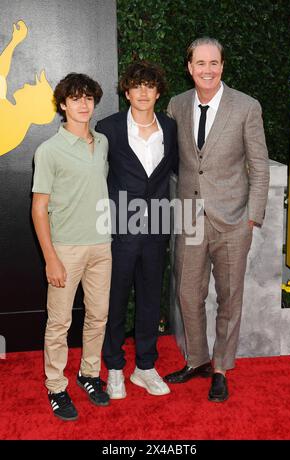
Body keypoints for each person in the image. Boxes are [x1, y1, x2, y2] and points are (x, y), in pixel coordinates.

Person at [164, 37, 270, 402]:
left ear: (222, 66)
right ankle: (197, 359)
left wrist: (252, 218)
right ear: (189, 67)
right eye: (200, 63)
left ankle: (221, 368)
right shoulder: (176, 105)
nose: (207, 70)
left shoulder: (246, 107)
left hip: (234, 220)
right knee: (187, 293)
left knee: (229, 298)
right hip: (190, 218)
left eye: (214, 63)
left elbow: (259, 166)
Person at [32, 73, 112, 421]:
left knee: (98, 315)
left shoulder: (104, 142)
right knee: (59, 323)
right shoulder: (48, 150)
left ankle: (89, 374)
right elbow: (38, 208)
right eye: (75, 98)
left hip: (101, 245)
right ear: (63, 104)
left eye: (89, 98)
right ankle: (56, 387)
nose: (83, 104)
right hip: (65, 249)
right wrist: (51, 258)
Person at [95, 60, 178, 399]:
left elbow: (178, 171)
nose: (143, 92)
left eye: (150, 85)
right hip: (119, 227)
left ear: (158, 92)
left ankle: (145, 366)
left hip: (157, 225)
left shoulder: (170, 129)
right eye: (137, 86)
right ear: (126, 92)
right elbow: (94, 176)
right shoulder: (108, 128)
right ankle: (114, 367)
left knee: (149, 298)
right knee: (115, 298)